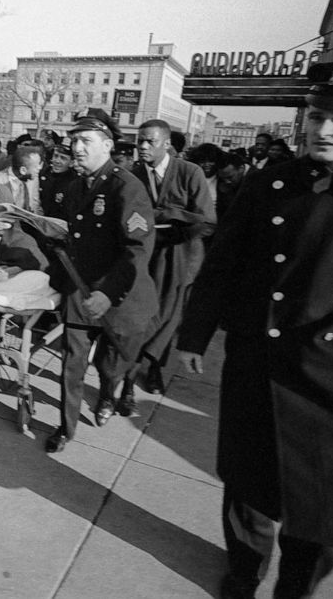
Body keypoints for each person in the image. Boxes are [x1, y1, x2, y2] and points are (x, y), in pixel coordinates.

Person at [177, 60, 333, 599]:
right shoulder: (272, 183)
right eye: (315, 115)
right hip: (262, 362)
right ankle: (243, 576)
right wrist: (194, 335)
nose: (321, 130)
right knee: (248, 492)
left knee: (322, 510)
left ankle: (295, 590)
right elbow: (225, 264)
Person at [45, 113, 157, 450]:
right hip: (81, 292)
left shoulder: (126, 187)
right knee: (72, 364)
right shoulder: (77, 185)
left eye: (85, 141)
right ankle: (66, 428)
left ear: (107, 145)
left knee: (110, 367)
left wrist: (108, 293)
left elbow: (137, 249)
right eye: (74, 141)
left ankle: (111, 393)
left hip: (118, 299)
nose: (76, 148)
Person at [125, 119, 214, 397]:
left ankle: (153, 367)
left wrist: (167, 218)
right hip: (145, 256)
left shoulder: (190, 172)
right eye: (140, 141)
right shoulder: (132, 173)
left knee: (169, 317)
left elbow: (207, 221)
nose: (142, 146)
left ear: (167, 144)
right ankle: (127, 377)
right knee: (141, 315)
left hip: (181, 257)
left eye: (150, 141)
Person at [0, 145, 43, 214]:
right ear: (23, 170)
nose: (40, 168)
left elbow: (36, 203)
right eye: (36, 166)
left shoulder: (33, 178)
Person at [39, 142, 76, 221]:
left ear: (71, 163)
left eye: (63, 158)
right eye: (55, 156)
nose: (57, 161)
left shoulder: (75, 182)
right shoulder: (42, 174)